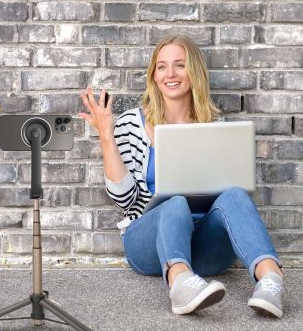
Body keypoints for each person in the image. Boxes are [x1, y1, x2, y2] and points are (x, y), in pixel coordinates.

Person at [78, 35, 284, 318]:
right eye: (161, 67)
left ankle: (271, 280)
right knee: (173, 202)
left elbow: (229, 202)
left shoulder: (216, 128)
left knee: (235, 194)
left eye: (179, 65)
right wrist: (106, 136)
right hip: (149, 243)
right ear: (153, 74)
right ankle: (180, 282)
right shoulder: (129, 124)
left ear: (194, 72)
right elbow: (126, 200)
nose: (170, 74)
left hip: (205, 246)